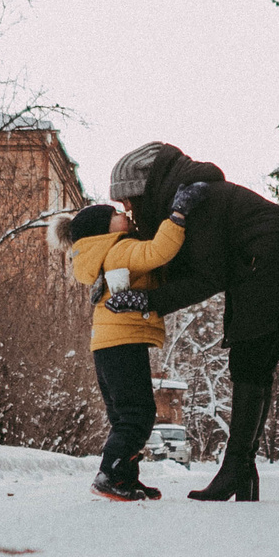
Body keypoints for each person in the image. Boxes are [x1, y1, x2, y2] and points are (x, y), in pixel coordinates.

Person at [103, 143, 279, 502]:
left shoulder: (200, 202)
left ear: (145, 189)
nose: (126, 208)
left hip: (269, 263)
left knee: (250, 363)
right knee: (253, 366)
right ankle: (241, 472)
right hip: (262, 263)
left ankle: (236, 469)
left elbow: (207, 276)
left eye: (127, 199)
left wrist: (149, 301)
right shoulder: (190, 199)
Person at [65, 182, 207, 501]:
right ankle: (111, 475)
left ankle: (126, 478)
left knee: (124, 415)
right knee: (138, 414)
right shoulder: (119, 248)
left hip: (108, 345)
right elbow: (158, 251)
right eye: (115, 213)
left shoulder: (102, 255)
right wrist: (179, 213)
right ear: (103, 228)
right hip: (123, 342)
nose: (122, 212)